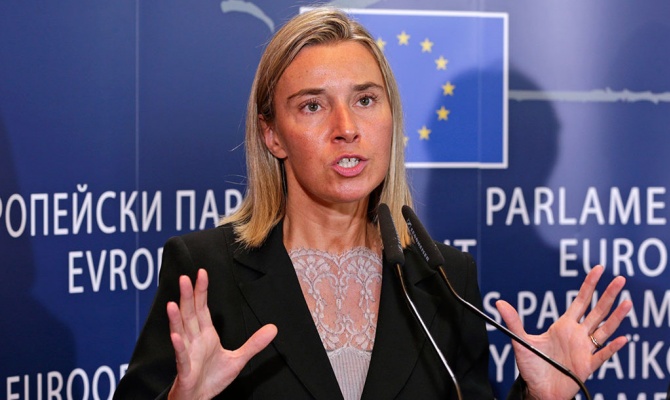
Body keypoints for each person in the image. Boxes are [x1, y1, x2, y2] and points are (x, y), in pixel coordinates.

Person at [113, 7, 632, 400]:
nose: (346, 128)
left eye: (365, 100)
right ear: (272, 135)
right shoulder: (207, 271)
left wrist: (542, 397)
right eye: (312, 106)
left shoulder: (445, 279)